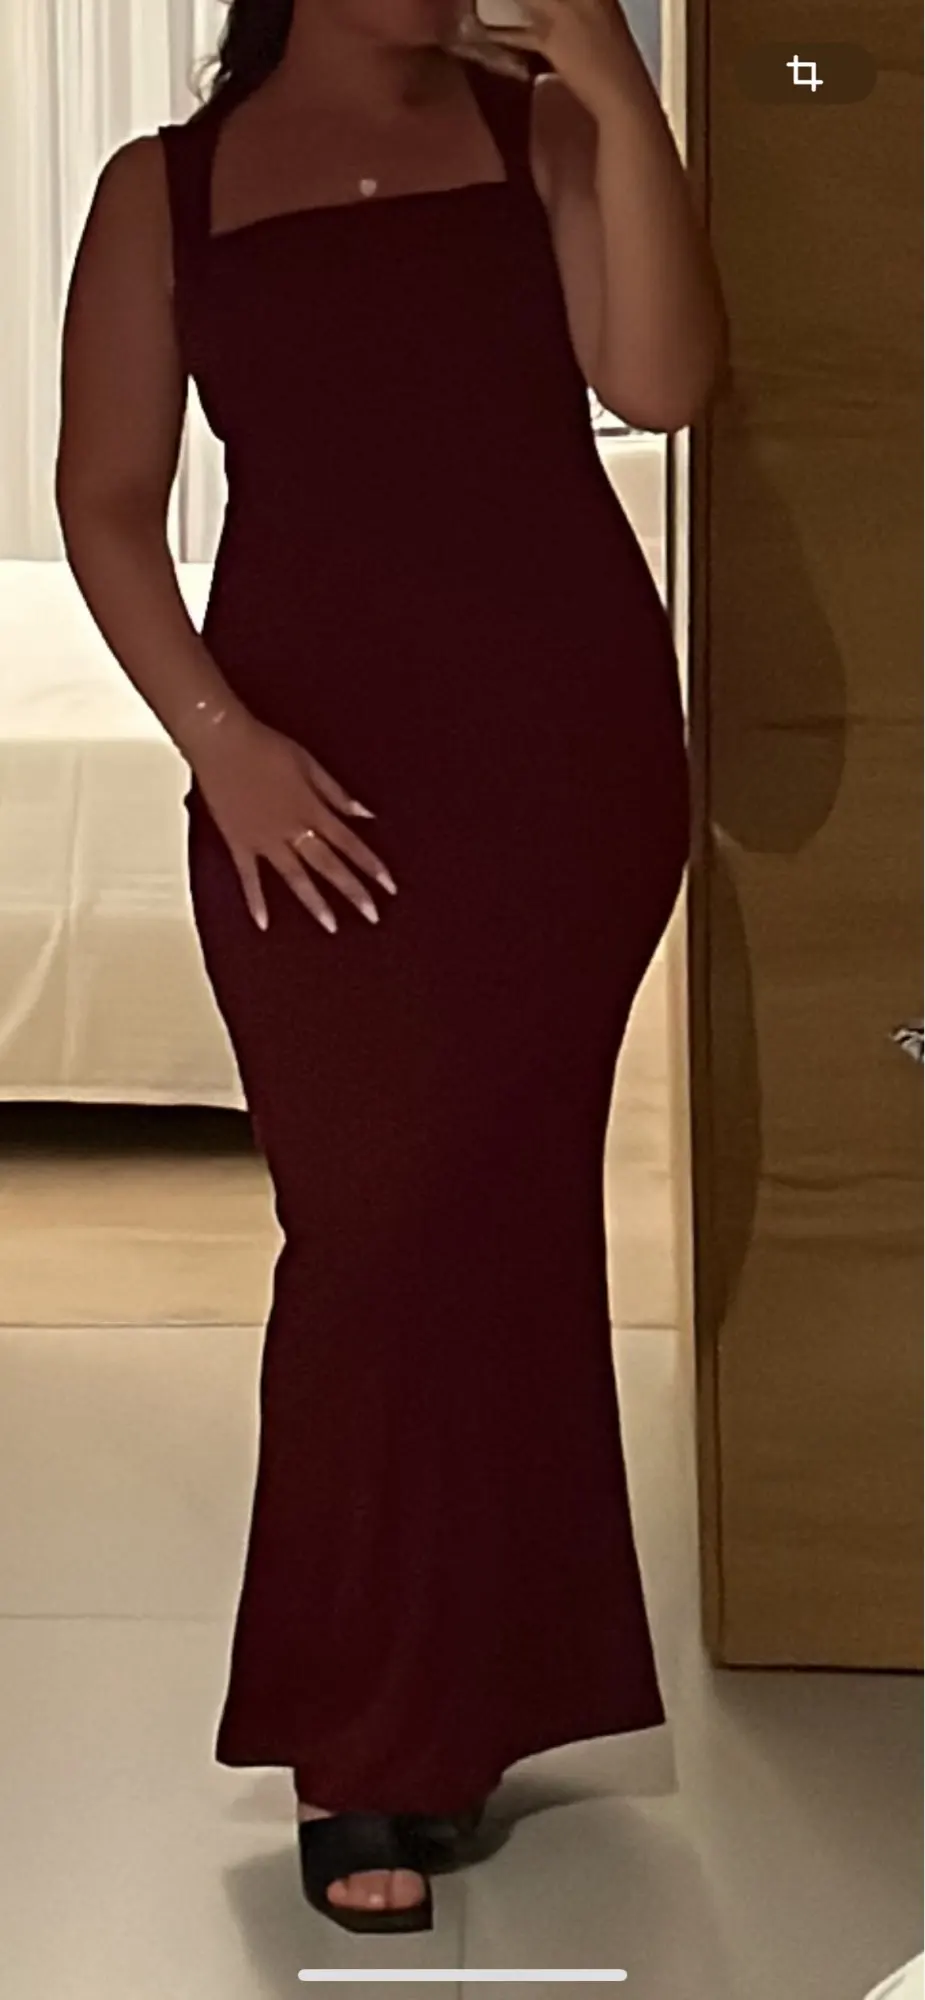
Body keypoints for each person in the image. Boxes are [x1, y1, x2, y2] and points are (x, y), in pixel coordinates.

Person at [55, 0, 726, 1938]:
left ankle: (456, 1710)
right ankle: (366, 1728)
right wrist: (221, 745)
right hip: (303, 783)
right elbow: (105, 506)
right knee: (374, 1231)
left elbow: (665, 383)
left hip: (563, 769)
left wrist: (614, 79)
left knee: (498, 1223)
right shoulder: (164, 192)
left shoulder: (542, 133)